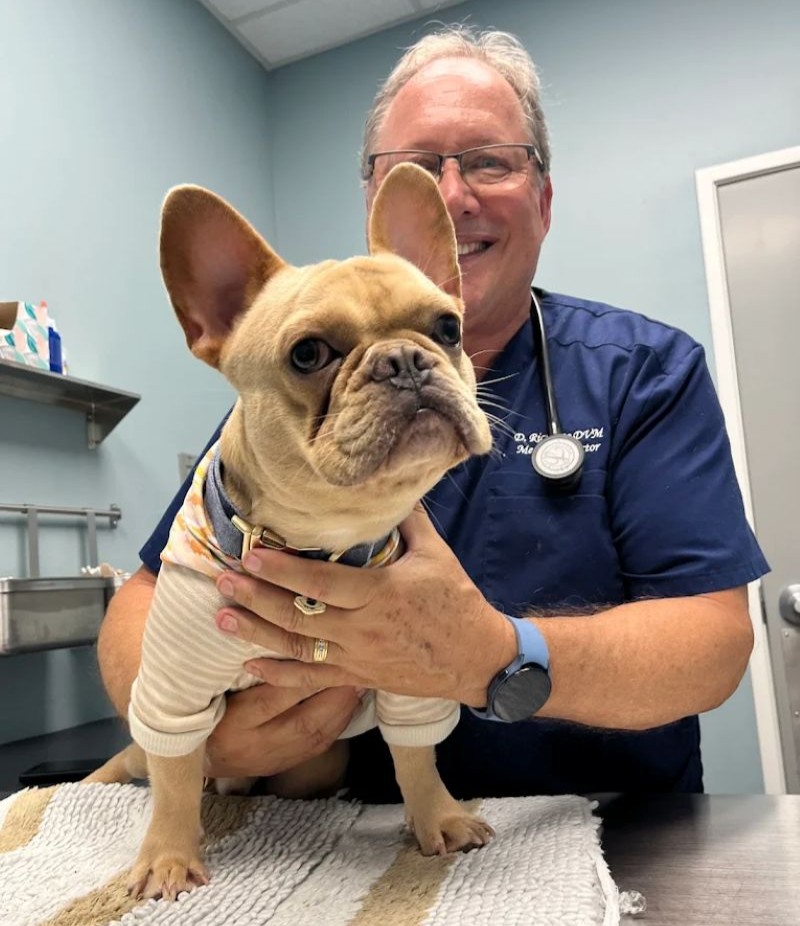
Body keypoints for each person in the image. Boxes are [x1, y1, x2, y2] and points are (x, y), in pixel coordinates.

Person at [98, 26, 768, 800]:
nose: (453, 196)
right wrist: (195, 736)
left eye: (489, 160)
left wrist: (491, 652)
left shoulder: (642, 372)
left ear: (544, 200)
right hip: (351, 844)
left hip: (616, 828)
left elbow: (715, 643)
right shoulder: (282, 381)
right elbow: (150, 593)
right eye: (416, 169)